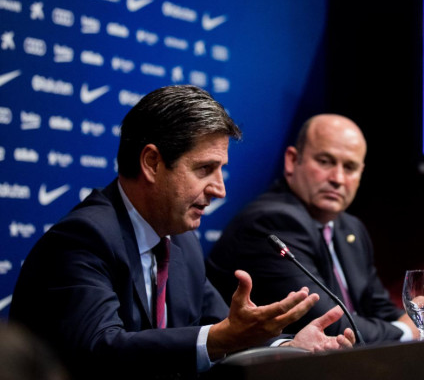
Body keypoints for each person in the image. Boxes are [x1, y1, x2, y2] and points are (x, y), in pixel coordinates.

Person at [9, 86, 354, 380]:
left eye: (221, 170)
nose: (219, 189)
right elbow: (101, 350)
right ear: (152, 163)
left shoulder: (182, 244)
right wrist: (221, 338)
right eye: (205, 169)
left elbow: (226, 329)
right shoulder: (83, 240)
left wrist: (286, 346)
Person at [206, 114, 424, 344]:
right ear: (292, 161)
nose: (337, 178)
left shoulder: (350, 227)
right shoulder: (271, 222)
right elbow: (329, 325)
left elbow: (376, 304)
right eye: (325, 161)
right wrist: (409, 330)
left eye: (350, 167)